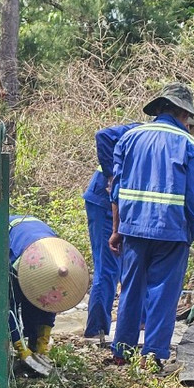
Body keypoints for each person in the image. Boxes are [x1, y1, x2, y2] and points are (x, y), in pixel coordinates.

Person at [108, 83, 194, 365]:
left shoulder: (130, 138)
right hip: (172, 231)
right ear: (181, 112)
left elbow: (115, 189)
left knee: (130, 289)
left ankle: (122, 351)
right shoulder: (189, 144)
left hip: (133, 228)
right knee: (163, 293)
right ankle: (152, 354)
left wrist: (116, 230)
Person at [8, 215, 90, 376]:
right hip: (14, 246)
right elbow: (8, 308)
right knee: (15, 299)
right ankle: (23, 348)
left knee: (41, 299)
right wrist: (20, 347)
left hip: (39, 244)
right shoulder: (16, 263)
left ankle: (35, 346)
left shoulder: (61, 259)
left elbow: (50, 303)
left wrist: (42, 343)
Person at [82, 122, 138, 343]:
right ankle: (96, 330)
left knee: (131, 268)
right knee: (107, 267)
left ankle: (137, 323)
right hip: (104, 202)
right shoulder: (138, 131)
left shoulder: (172, 143)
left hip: (123, 206)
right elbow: (102, 136)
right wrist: (111, 176)